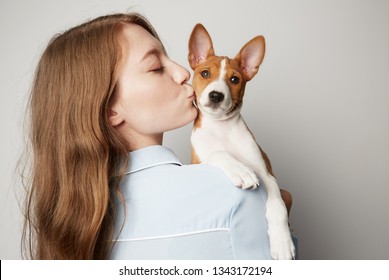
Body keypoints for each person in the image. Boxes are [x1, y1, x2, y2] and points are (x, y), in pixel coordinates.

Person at [22, 12, 294, 260]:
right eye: (156, 67)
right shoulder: (233, 193)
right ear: (110, 109)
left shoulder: (75, 221)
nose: (184, 73)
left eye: (168, 58)